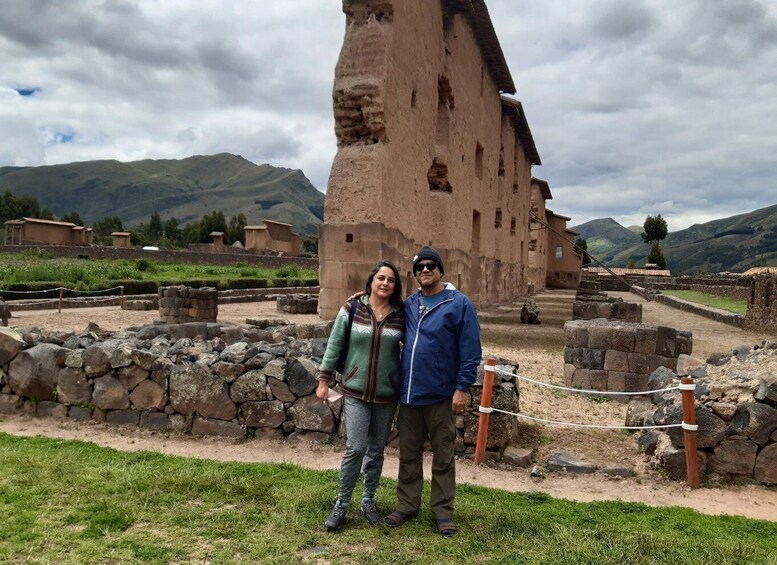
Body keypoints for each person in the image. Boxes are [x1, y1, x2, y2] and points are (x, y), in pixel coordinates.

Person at [383, 246, 481, 537]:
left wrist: (462, 387)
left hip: (440, 394)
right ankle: (407, 505)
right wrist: (356, 300)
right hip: (410, 395)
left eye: (430, 265)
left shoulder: (458, 303)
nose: (425, 270)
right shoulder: (410, 304)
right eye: (419, 267)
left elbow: (471, 350)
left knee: (443, 455)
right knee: (408, 454)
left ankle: (442, 511)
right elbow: (379, 304)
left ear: (440, 270)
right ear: (414, 274)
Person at [316, 260, 406, 531]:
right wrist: (324, 380)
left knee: (376, 450)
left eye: (390, 280)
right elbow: (334, 344)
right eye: (381, 278)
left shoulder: (401, 314)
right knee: (355, 448)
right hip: (354, 390)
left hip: (386, 395)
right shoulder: (352, 309)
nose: (385, 283)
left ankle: (368, 500)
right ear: (371, 281)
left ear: (395, 286)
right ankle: (342, 503)